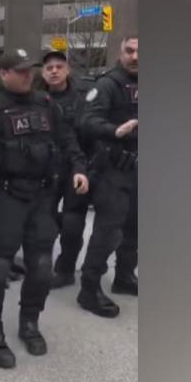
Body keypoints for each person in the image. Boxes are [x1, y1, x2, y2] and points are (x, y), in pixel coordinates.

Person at [0, 49, 89, 369]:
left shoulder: (46, 105)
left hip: (41, 198)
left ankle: (29, 323)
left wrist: (79, 169)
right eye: (19, 71)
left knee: (40, 266)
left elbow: (69, 143)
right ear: (3, 73)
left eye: (29, 71)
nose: (27, 76)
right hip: (7, 196)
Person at [76, 36, 139, 318]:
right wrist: (114, 131)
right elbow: (86, 120)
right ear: (120, 52)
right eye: (130, 50)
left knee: (135, 228)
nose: (135, 56)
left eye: (141, 52)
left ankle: (125, 277)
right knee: (108, 232)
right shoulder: (107, 84)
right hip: (113, 169)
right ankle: (89, 289)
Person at [37, 49, 93, 289]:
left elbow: (91, 134)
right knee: (43, 221)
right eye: (49, 68)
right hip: (45, 169)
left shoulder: (83, 98)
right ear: (43, 72)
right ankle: (40, 268)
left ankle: (66, 269)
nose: (54, 71)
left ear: (67, 70)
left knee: (72, 224)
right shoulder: (36, 98)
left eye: (59, 67)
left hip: (75, 166)